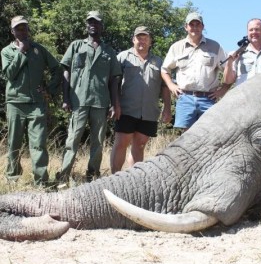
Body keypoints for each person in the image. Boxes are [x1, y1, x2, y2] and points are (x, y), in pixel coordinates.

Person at [56, 11, 121, 184]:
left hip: (101, 102)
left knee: (98, 142)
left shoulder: (109, 51)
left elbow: (115, 79)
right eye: (90, 22)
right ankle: (63, 175)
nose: (93, 24)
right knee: (72, 139)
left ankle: (92, 176)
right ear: (86, 25)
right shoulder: (76, 46)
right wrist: (65, 98)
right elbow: (66, 71)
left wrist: (114, 104)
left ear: (102, 26)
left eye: (97, 22)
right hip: (78, 100)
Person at [1, 15, 62, 186]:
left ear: (28, 29)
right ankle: (12, 179)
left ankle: (41, 181)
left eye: (24, 27)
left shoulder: (39, 49)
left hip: (36, 104)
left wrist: (49, 89)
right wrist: (21, 52)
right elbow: (9, 75)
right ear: (12, 31)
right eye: (18, 28)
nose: (22, 31)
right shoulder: (6, 52)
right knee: (14, 142)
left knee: (38, 144)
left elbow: (57, 69)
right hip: (15, 103)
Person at [110, 26, 172, 173]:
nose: (142, 41)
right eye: (139, 37)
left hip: (149, 111)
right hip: (125, 109)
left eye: (145, 38)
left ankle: (133, 180)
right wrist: (114, 105)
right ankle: (114, 178)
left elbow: (165, 87)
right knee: (121, 143)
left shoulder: (158, 61)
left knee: (139, 145)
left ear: (150, 41)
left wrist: (167, 108)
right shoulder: (122, 57)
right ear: (133, 40)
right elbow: (114, 83)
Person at [161, 12, 229, 131]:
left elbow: (229, 69)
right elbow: (164, 69)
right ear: (186, 27)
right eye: (191, 24)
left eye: (198, 24)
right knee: (186, 139)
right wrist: (171, 85)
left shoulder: (215, 46)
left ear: (203, 27)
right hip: (185, 98)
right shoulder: (176, 47)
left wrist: (223, 90)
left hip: (208, 98)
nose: (195, 27)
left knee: (208, 135)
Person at [223, 18, 261, 86]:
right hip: (243, 96)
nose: (254, 32)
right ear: (247, 32)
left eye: (257, 29)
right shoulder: (237, 54)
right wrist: (229, 62)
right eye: (251, 30)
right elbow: (228, 81)